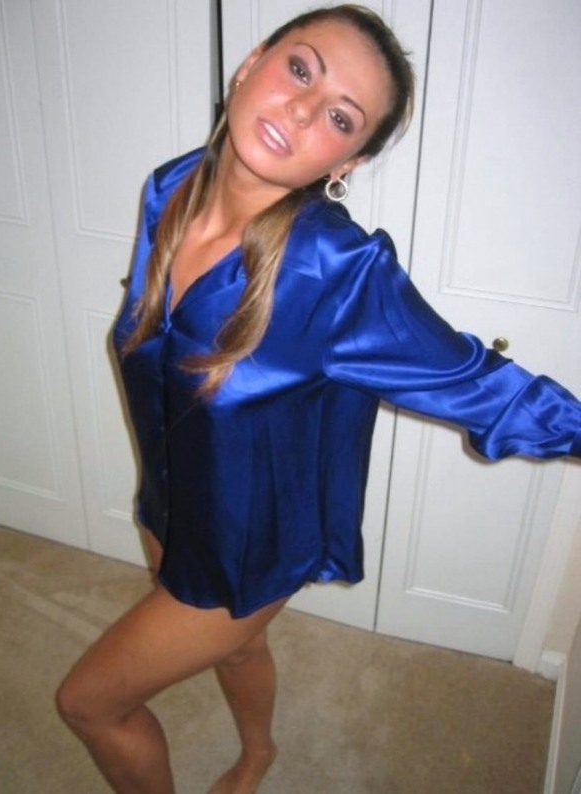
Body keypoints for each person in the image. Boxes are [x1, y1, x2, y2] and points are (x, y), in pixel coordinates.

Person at [56, 5, 581, 793]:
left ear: (349, 161)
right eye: (301, 69)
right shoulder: (171, 188)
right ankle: (258, 754)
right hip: (165, 505)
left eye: (340, 117)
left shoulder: (335, 272)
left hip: (251, 548)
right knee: (238, 650)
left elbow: (484, 386)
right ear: (252, 63)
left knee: (91, 703)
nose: (303, 110)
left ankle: (252, 751)